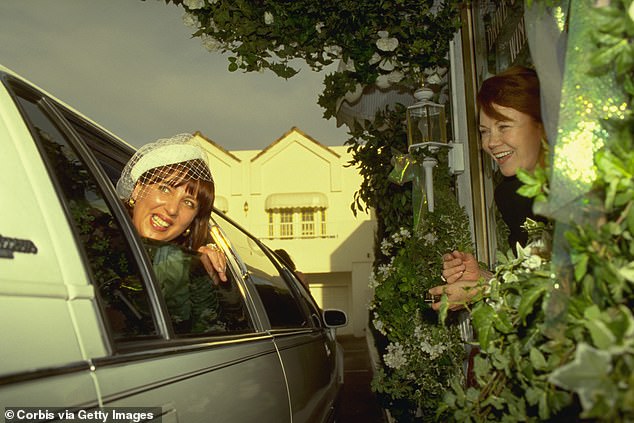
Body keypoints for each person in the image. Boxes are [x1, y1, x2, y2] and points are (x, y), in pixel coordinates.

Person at [429, 66, 546, 311]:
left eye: (503, 127)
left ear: (542, 124)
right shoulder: (511, 196)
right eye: (484, 131)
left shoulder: (589, 187)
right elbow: (535, 286)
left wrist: (487, 289)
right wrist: (484, 279)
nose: (491, 142)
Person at [116, 133, 227, 284]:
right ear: (137, 189)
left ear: (192, 221)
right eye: (165, 189)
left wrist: (200, 273)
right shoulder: (90, 233)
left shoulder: (184, 270)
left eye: (188, 203)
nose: (172, 209)